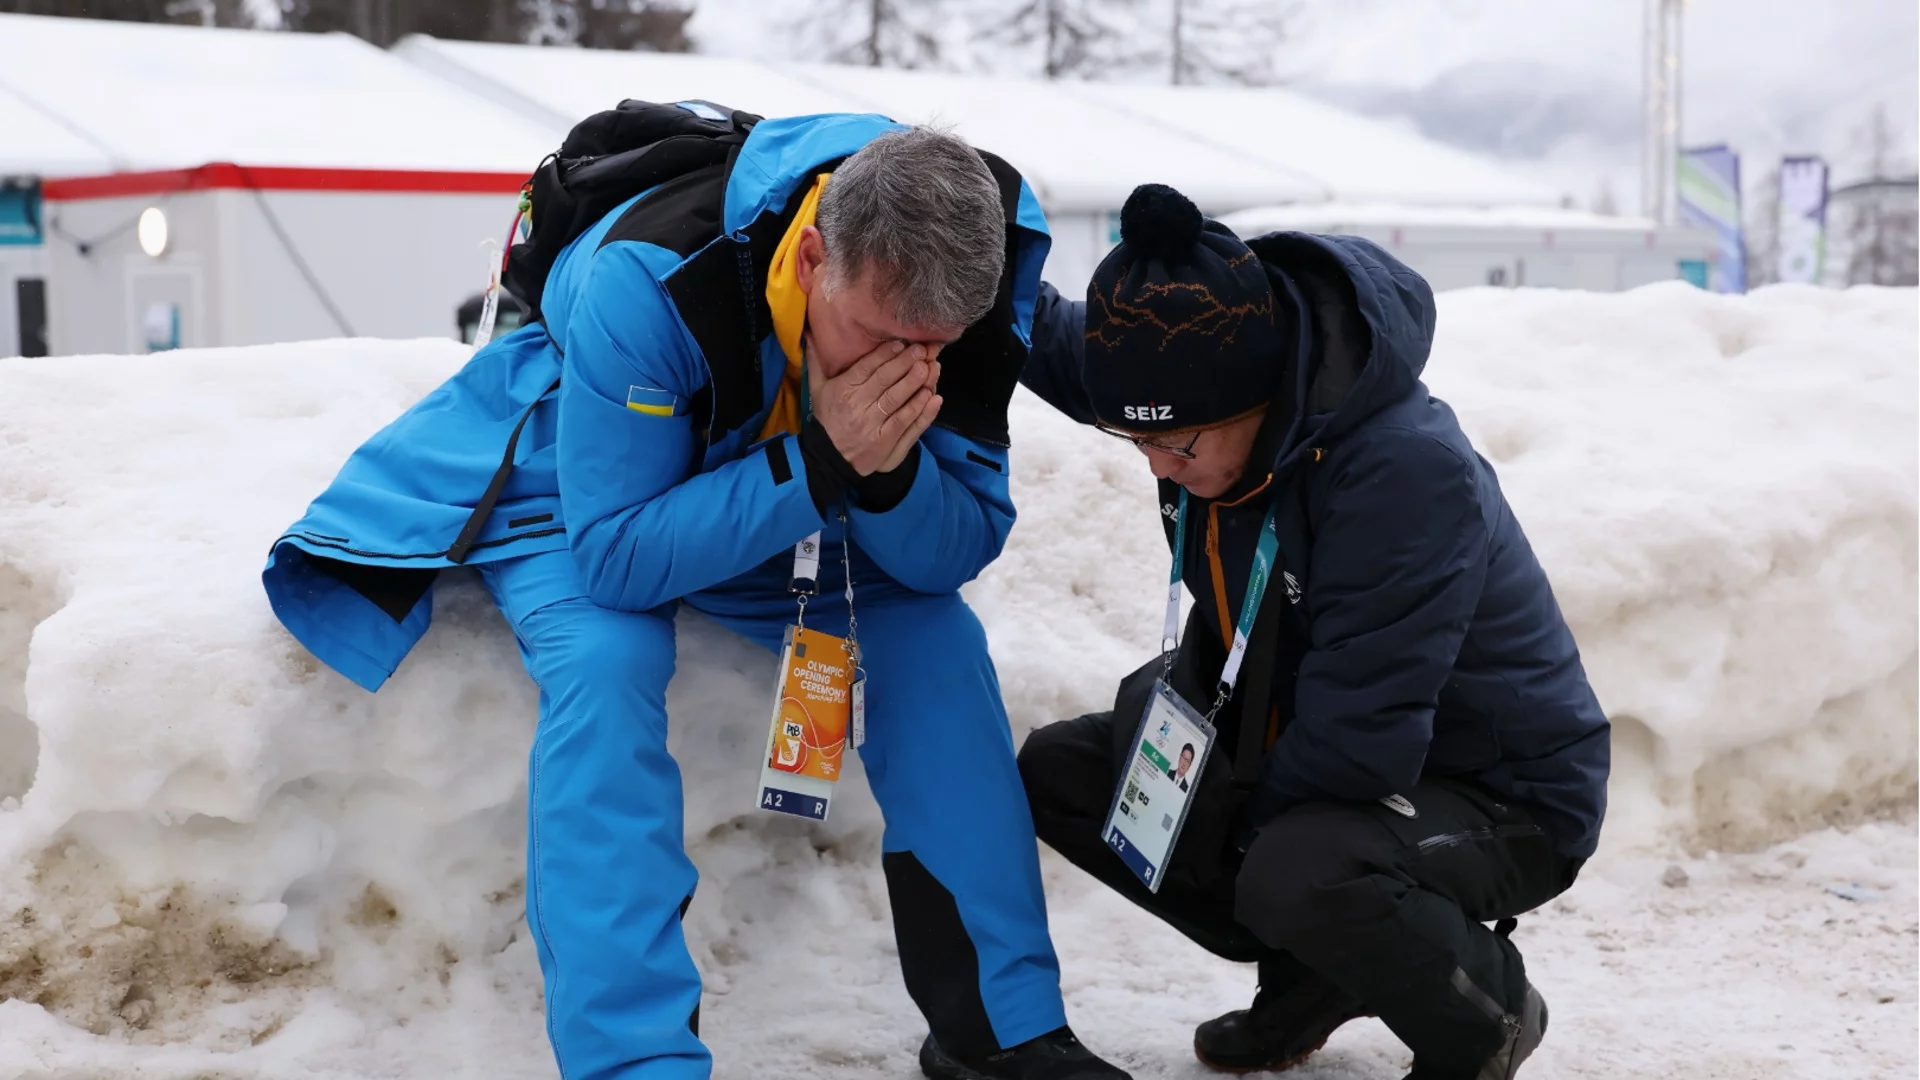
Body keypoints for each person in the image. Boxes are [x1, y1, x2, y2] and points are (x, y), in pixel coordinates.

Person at [263, 108, 1129, 1080]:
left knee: (936, 641)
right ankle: (634, 1063)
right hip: (586, 477)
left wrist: (880, 475)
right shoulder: (647, 276)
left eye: (932, 349)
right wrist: (819, 460)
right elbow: (616, 557)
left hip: (798, 480)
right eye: (882, 339)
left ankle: (999, 1027)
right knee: (605, 660)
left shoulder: (962, 281)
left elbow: (955, 543)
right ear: (811, 258)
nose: (906, 371)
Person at [1015, 183, 1611, 1080]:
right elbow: (1040, 327)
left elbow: (1362, 738)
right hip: (1319, 740)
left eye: (1181, 447)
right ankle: (1324, 972)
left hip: (1497, 788)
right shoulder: (1184, 382)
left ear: (1264, 400)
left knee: (1293, 868)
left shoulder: (1403, 473)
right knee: (1069, 776)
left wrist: (1220, 814)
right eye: (1137, 443)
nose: (1160, 466)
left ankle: (1483, 1017)